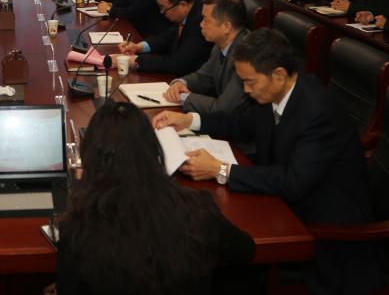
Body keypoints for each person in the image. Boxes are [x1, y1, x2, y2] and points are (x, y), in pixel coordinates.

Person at [153, 29, 382, 294]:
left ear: (279, 75)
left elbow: (293, 182)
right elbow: (241, 124)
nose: (246, 90)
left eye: (250, 82)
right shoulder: (273, 93)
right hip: (282, 202)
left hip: (324, 230)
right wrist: (189, 120)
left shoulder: (318, 112)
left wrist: (221, 169)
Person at [57, 100, 254, 295]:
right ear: (153, 149)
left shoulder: (77, 228)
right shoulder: (198, 210)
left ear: (90, 157)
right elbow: (245, 250)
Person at [163, 0, 252, 122]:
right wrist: (181, 83)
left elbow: (223, 108)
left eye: (206, 20)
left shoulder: (247, 56)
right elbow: (204, 76)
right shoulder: (220, 44)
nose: (201, 24)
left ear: (226, 26)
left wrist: (182, 97)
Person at [117, 0, 211, 77]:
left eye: (164, 8)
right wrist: (139, 47)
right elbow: (168, 37)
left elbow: (178, 64)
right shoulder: (187, 12)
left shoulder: (201, 22)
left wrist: (136, 60)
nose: (162, 12)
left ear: (182, 5)